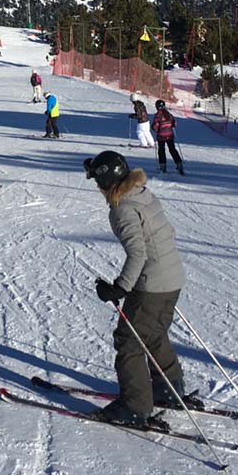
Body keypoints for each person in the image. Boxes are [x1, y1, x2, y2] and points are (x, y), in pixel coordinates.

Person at [83, 150, 188, 427]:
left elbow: (138, 253)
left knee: (129, 342)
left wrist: (120, 288)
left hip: (152, 285)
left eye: (97, 181)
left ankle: (135, 406)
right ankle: (169, 388)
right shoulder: (142, 194)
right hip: (172, 278)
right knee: (152, 335)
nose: (97, 187)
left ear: (107, 182)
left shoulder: (123, 208)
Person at [152, 100, 184, 175]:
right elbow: (174, 124)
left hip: (161, 136)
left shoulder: (158, 115)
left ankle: (163, 167)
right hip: (170, 135)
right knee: (172, 149)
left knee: (161, 150)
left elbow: (155, 126)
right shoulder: (168, 114)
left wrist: (153, 128)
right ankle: (179, 164)